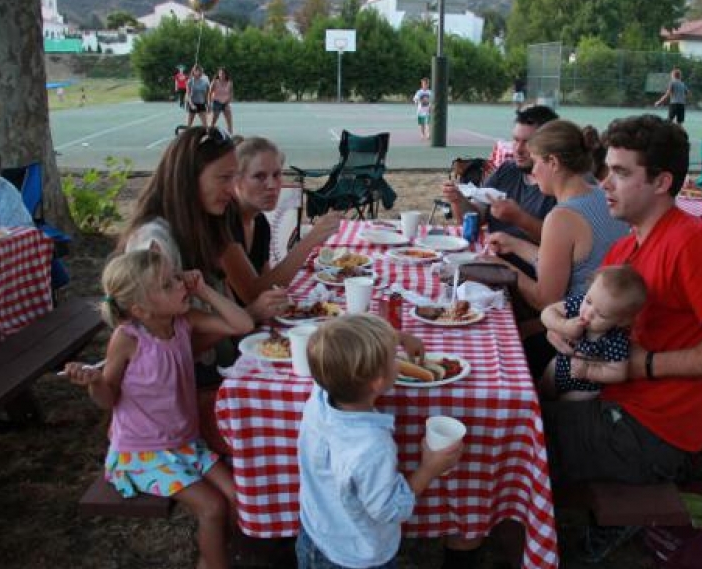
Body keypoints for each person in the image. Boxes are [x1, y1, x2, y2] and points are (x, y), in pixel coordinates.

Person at [543, 114, 702, 563]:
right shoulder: (625, 249)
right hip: (609, 401)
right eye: (606, 169)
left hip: (647, 433)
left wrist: (645, 364)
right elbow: (582, 315)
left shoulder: (696, 245)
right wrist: (563, 331)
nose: (605, 183)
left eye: (622, 173)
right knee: (523, 408)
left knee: (521, 437)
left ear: (662, 181)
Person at [64, 249, 251, 569]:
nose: (180, 286)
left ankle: (213, 556)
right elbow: (109, 399)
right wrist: (96, 382)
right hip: (143, 452)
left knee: (238, 496)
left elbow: (242, 324)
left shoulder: (183, 321)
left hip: (185, 442)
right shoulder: (127, 339)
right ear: (140, 309)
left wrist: (203, 290)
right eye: (167, 285)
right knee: (212, 508)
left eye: (176, 277)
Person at [119, 126, 288, 388]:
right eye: (224, 178)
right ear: (189, 179)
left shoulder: (205, 223)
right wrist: (250, 314)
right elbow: (163, 347)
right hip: (181, 392)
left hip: (223, 364)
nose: (233, 191)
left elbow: (227, 301)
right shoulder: (154, 244)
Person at [296, 314, 462, 569]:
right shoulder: (372, 446)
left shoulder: (322, 391)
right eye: (393, 358)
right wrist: (429, 469)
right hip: (355, 556)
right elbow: (391, 510)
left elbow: (339, 348)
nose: (397, 361)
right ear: (377, 382)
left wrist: (398, 338)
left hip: (315, 534)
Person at [481, 119, 629, 380]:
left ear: (553, 163)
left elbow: (545, 300)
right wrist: (514, 244)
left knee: (493, 340)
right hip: (612, 327)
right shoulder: (598, 195)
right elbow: (573, 261)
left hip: (579, 337)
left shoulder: (562, 216)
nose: (534, 171)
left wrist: (502, 266)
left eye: (537, 162)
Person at [228, 136, 341, 302]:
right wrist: (310, 240)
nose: (272, 185)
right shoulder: (224, 224)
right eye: (259, 176)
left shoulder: (259, 222)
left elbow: (269, 285)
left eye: (276, 175)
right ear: (236, 181)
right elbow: (252, 294)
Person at [440, 105, 560, 253]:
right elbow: (476, 217)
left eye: (528, 143)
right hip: (494, 260)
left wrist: (519, 218)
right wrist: (458, 200)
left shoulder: (559, 185)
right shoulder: (507, 170)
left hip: (530, 272)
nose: (518, 149)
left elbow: (559, 243)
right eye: (516, 140)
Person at [540, 265, 646, 401]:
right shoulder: (580, 304)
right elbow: (547, 312)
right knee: (543, 389)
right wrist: (563, 325)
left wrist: (588, 371)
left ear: (621, 321)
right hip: (559, 366)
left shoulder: (616, 338)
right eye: (589, 301)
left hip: (584, 387)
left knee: (564, 405)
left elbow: (619, 372)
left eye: (601, 315)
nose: (588, 313)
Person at [208, 67, 234, 134]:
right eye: (220, 73)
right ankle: (209, 133)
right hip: (216, 102)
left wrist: (228, 103)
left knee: (229, 121)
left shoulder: (229, 82)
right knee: (213, 121)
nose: (222, 75)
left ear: (226, 74)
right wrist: (209, 104)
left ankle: (230, 135)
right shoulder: (214, 82)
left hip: (225, 102)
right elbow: (209, 93)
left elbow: (231, 93)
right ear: (218, 74)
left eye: (223, 74)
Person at [185, 64, 210, 129]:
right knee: (189, 124)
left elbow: (207, 95)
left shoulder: (205, 81)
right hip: (192, 103)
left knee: (205, 125)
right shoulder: (190, 81)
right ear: (194, 72)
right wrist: (191, 104)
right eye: (198, 71)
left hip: (201, 103)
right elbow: (188, 94)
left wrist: (208, 105)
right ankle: (187, 136)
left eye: (201, 71)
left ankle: (206, 136)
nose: (200, 72)